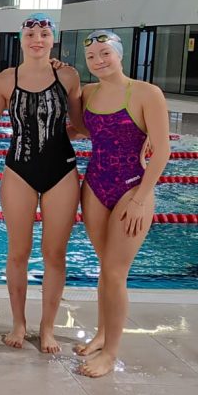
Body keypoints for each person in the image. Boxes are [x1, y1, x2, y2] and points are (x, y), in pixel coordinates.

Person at [0, 12, 82, 353]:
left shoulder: (67, 75)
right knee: (18, 252)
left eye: (44, 33)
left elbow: (80, 124)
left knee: (55, 253)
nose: (37, 39)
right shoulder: (6, 80)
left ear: (53, 39)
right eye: (31, 33)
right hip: (18, 171)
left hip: (62, 171)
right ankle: (18, 323)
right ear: (20, 39)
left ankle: (47, 327)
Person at [74, 30, 169, 377]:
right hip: (95, 185)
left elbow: (162, 149)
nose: (98, 61)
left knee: (116, 272)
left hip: (132, 188)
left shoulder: (146, 93)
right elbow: (81, 130)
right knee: (106, 269)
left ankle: (110, 353)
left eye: (105, 54)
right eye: (92, 57)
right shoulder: (89, 92)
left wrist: (141, 199)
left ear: (119, 54)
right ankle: (101, 334)